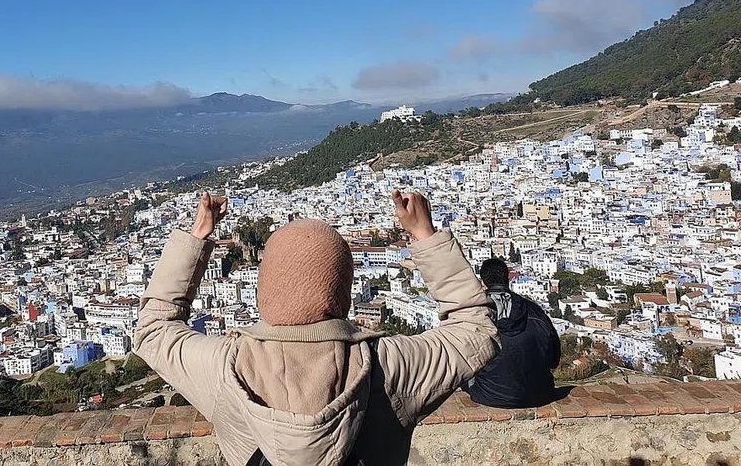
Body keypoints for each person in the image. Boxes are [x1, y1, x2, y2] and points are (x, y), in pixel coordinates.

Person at [134, 190, 498, 466]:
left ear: (264, 289)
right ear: (342, 290)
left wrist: (198, 235)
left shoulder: (224, 366)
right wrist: (425, 235)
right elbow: (476, 331)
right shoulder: (390, 365)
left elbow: (153, 328)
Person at [464, 257, 561, 409]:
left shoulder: (474, 314)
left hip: (489, 395)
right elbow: (554, 359)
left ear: (482, 281)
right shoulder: (535, 311)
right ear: (507, 279)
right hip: (541, 394)